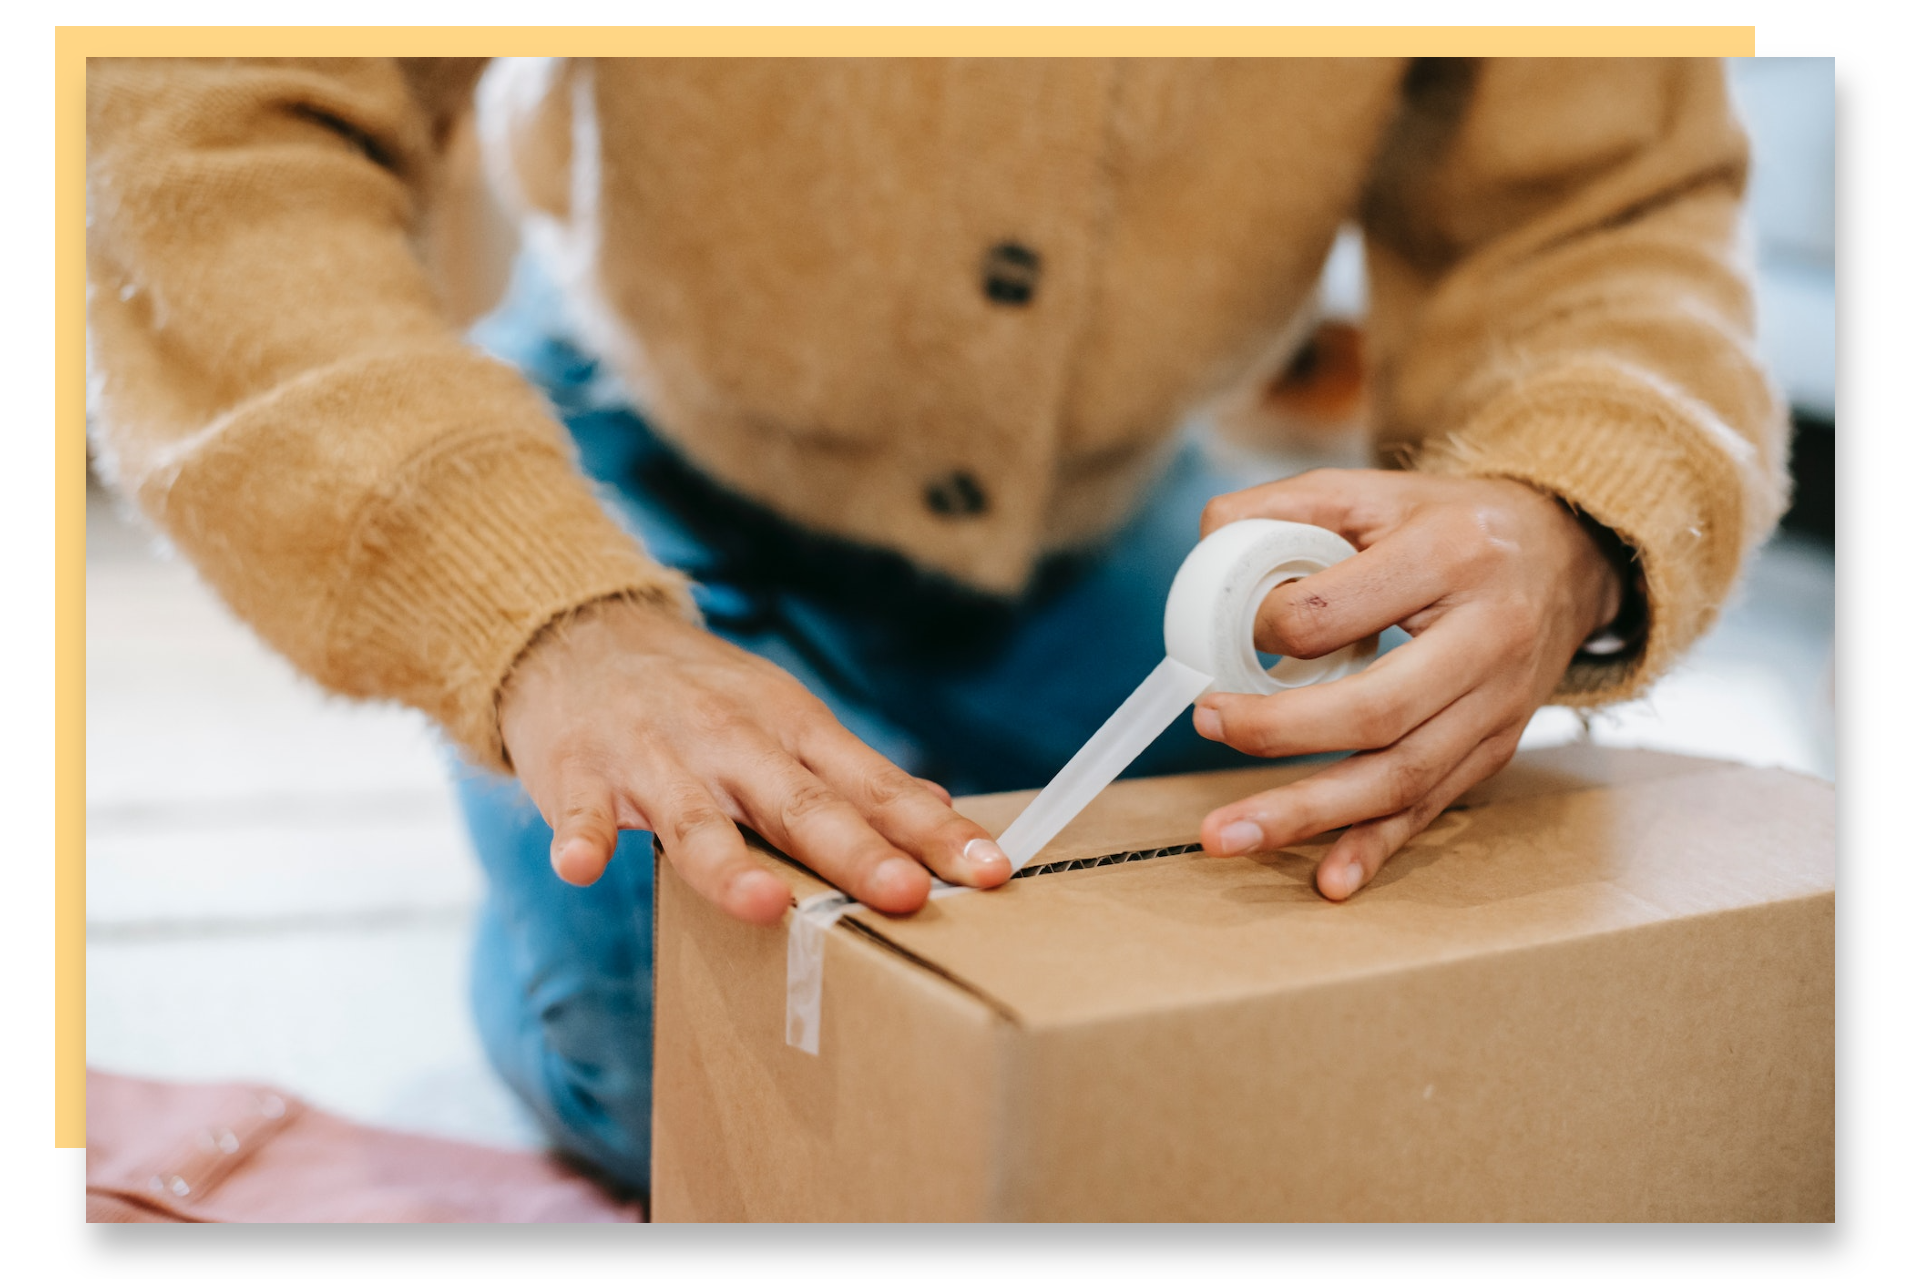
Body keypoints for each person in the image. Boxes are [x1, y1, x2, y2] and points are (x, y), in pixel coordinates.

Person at [85, 57, 1786, 1188]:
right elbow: (203, 133)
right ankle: (535, 912)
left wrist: (1572, 513)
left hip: (1120, 513)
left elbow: (1609, 219)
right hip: (626, 463)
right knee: (686, 1051)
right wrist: (535, 611)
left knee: (1306, 978)